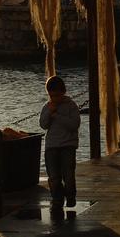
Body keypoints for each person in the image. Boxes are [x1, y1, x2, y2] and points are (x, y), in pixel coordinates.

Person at [39, 75, 81, 210]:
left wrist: (57, 115)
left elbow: (74, 124)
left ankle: (70, 196)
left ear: (63, 92)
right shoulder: (47, 106)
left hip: (68, 145)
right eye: (52, 96)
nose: (55, 99)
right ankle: (57, 198)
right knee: (53, 176)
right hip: (51, 146)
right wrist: (49, 114)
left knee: (68, 175)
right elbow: (43, 125)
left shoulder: (71, 106)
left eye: (57, 95)